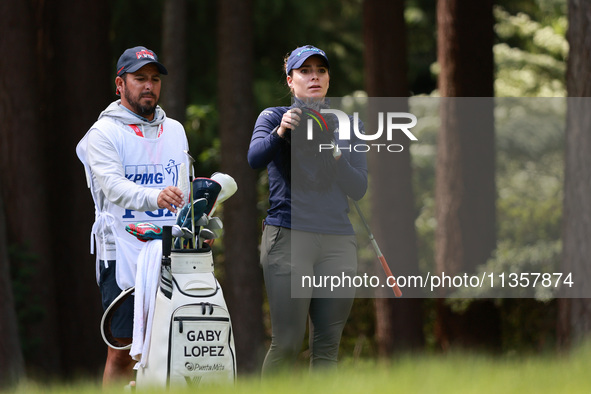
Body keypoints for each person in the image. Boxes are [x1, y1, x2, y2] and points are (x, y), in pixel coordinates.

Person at [248, 45, 368, 374]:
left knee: (327, 347)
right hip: (288, 237)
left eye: (321, 71)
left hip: (337, 242)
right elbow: (254, 158)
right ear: (290, 80)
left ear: (328, 79)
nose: (314, 76)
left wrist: (335, 154)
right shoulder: (273, 117)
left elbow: (359, 187)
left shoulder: (347, 124)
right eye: (305, 71)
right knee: (287, 342)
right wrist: (282, 131)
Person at [76, 46, 188, 386]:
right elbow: (113, 188)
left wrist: (193, 224)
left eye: (154, 79)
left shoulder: (175, 130)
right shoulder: (103, 134)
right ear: (119, 84)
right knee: (123, 350)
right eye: (139, 78)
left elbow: (182, 189)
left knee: (171, 346)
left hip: (171, 251)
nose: (149, 86)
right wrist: (155, 196)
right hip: (121, 253)